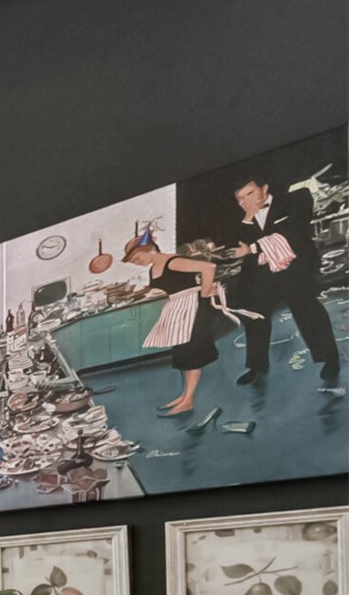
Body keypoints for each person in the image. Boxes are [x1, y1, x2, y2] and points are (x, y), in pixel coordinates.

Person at [227, 175, 342, 384]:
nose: (246, 201)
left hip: (294, 270)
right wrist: (248, 218)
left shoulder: (296, 199)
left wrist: (253, 247)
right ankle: (257, 366)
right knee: (255, 318)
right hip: (262, 276)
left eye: (250, 194)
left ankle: (330, 359)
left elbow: (294, 231)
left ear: (264, 188)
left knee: (308, 312)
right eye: (240, 199)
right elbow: (237, 246)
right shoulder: (243, 218)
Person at [124, 237, 223, 416]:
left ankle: (188, 401)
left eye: (137, 258)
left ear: (150, 249)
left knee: (193, 354)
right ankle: (184, 396)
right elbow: (169, 286)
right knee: (182, 353)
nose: (137, 263)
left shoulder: (173, 261)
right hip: (178, 310)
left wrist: (205, 294)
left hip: (193, 308)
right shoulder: (154, 268)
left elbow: (208, 267)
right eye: (133, 261)